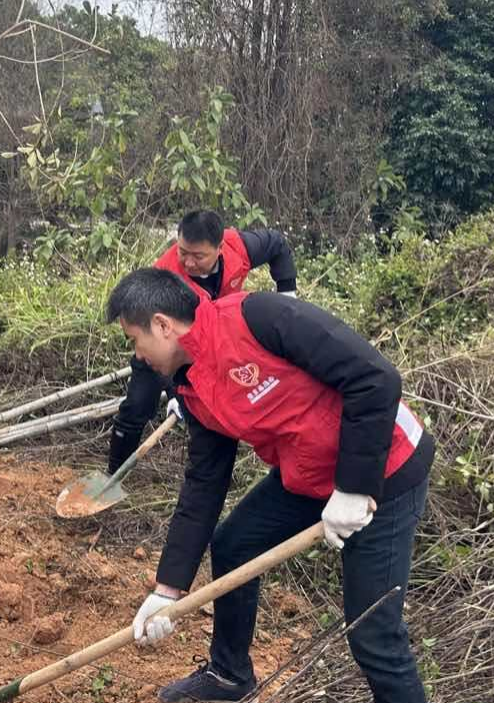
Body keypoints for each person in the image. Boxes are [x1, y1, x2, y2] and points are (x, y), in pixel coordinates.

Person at [107, 268, 433, 703]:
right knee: (235, 544)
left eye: (134, 340)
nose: (138, 355)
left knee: (372, 629)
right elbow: (205, 482)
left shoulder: (256, 318)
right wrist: (168, 589)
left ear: (163, 326)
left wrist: (355, 486)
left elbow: (376, 379)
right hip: (311, 476)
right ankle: (229, 675)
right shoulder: (192, 387)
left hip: (387, 466)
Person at [110, 210, 298, 474]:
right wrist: (175, 391)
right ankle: (114, 475)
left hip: (208, 347)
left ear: (219, 248)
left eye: (198, 256)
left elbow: (277, 244)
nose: (188, 262)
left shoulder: (239, 248)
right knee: (137, 406)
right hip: (160, 349)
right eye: (182, 252)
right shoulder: (165, 274)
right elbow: (164, 346)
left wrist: (288, 299)